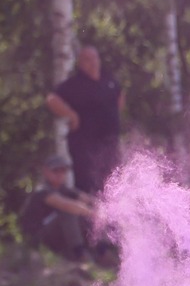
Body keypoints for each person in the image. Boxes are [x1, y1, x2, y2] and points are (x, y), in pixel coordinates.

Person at [46, 45, 123, 193]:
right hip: (85, 146)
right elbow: (52, 99)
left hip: (110, 143)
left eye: (94, 58)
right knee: (89, 184)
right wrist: (70, 114)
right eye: (87, 59)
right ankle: (87, 208)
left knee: (113, 183)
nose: (92, 62)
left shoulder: (108, 80)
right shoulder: (75, 84)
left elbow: (120, 96)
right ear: (80, 63)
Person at [23, 154, 98, 262]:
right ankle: (80, 255)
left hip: (55, 236)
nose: (60, 174)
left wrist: (106, 209)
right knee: (69, 212)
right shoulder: (42, 190)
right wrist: (93, 213)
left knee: (92, 215)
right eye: (55, 170)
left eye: (63, 170)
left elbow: (88, 199)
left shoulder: (64, 189)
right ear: (46, 171)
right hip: (37, 238)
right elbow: (65, 205)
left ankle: (102, 251)